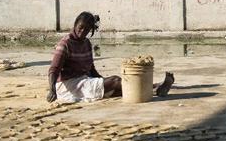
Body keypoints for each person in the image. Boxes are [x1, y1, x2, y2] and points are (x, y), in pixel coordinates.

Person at [47, 12, 175, 103]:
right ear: (75, 25)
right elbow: (54, 70)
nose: (83, 32)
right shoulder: (65, 44)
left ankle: (155, 88)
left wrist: (102, 81)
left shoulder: (86, 43)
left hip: (84, 80)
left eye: (87, 30)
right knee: (115, 81)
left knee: (117, 89)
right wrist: (52, 90)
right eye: (81, 28)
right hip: (69, 85)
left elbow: (91, 69)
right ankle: (154, 88)